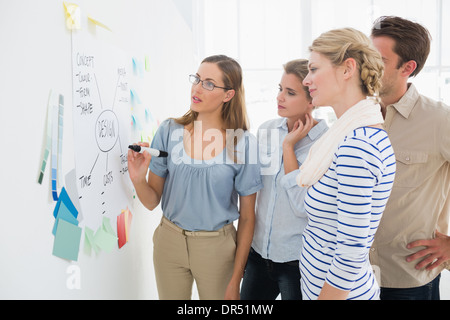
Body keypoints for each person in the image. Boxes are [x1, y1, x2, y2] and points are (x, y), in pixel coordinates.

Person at [127, 55, 263, 300]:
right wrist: (138, 178)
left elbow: (248, 217)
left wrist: (236, 277)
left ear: (228, 95)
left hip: (216, 249)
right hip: (169, 241)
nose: (197, 88)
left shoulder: (243, 144)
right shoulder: (169, 131)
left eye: (209, 83)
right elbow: (151, 201)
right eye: (197, 79)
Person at [298, 28, 396, 300]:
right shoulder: (351, 135)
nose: (307, 80)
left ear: (347, 69)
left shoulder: (357, 146)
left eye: (314, 69)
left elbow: (351, 252)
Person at [369, 16, 450, 300]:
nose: (367, 68)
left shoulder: (441, 120)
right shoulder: (353, 117)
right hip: (355, 277)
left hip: (408, 281)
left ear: (408, 67)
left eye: (378, 60)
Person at [240, 59, 328, 300]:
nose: (280, 97)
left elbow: (304, 207)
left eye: (290, 93)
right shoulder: (266, 130)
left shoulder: (327, 143)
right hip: (258, 255)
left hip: (297, 262)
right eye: (280, 89)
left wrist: (288, 147)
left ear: (312, 99)